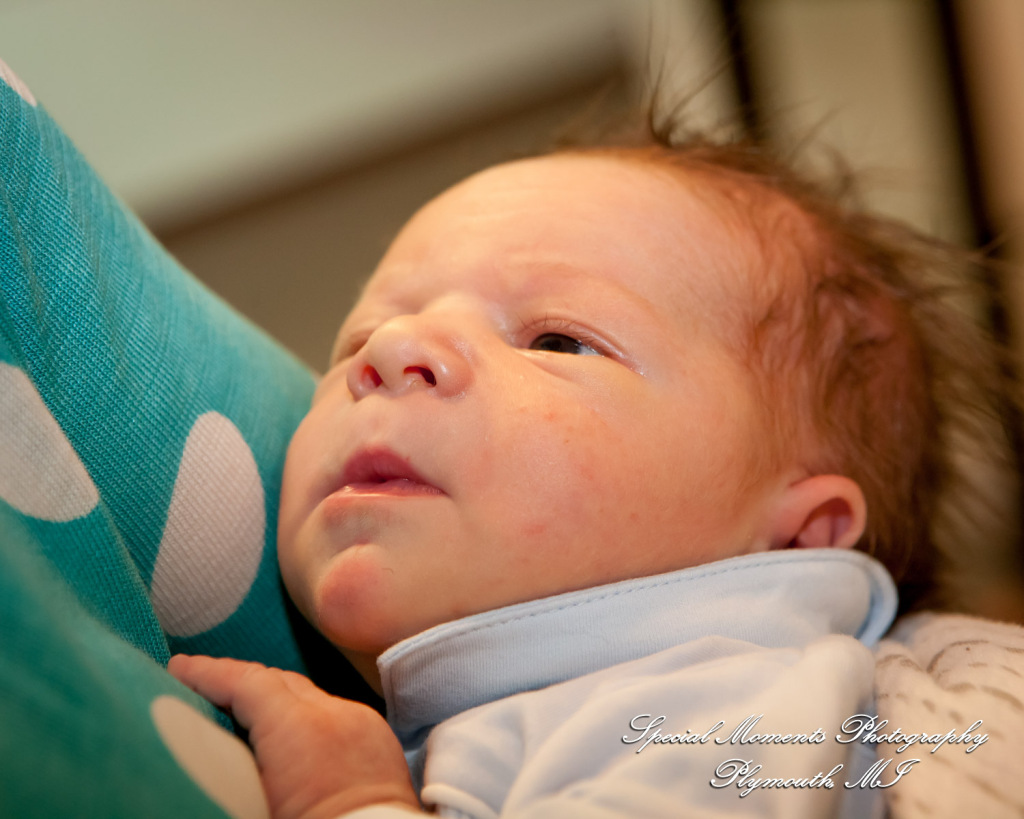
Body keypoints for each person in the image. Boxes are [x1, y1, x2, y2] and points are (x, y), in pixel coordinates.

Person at [169, 119, 1006, 818]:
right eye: (358, 337)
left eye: (558, 341)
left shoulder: (726, 709)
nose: (389, 352)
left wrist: (352, 802)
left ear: (796, 537)